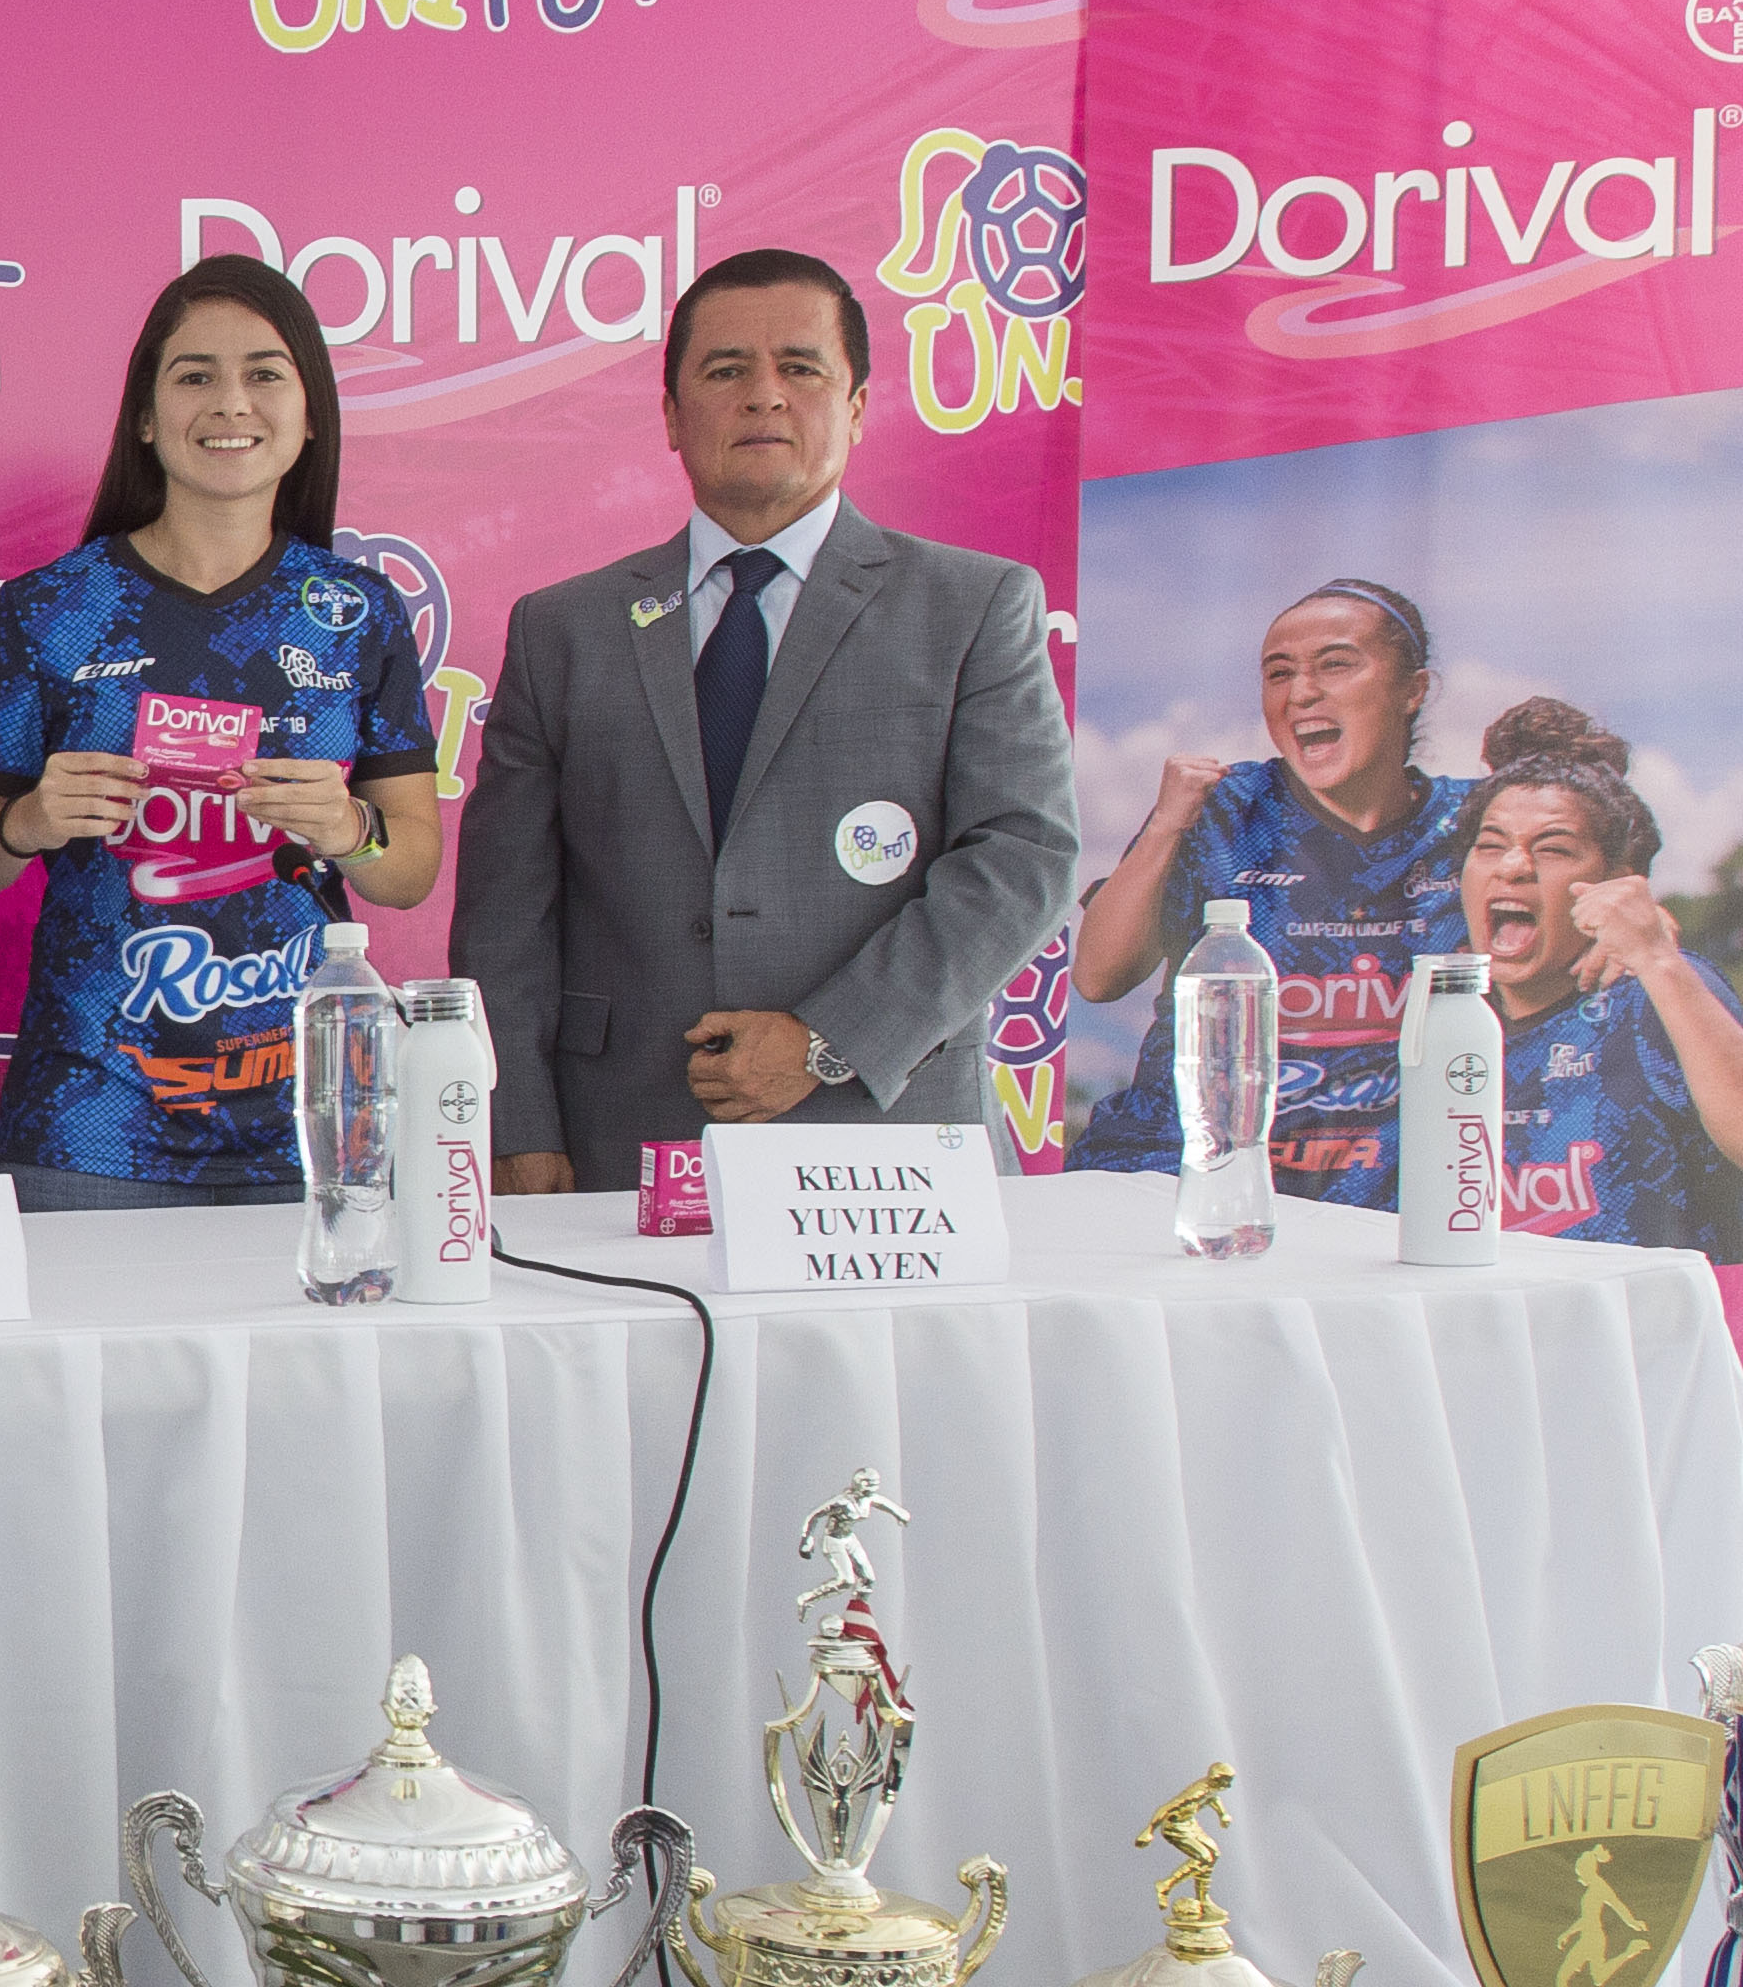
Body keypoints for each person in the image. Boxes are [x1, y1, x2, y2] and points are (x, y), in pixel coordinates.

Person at [449, 248, 1079, 1192]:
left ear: (857, 406)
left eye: (801, 366)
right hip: (620, 1144)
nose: (765, 396)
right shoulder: (561, 629)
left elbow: (1023, 859)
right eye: (725, 370)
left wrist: (827, 1041)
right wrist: (518, 1130)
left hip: (887, 1144)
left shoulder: (973, 605)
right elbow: (506, 916)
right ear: (670, 414)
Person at [0, 257, 437, 1207]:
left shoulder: (358, 611)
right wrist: (27, 824)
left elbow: (408, 872)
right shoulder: (52, 610)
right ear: (143, 414)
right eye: (195, 375)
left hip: (309, 1116)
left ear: (311, 413)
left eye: (264, 373)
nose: (229, 403)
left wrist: (348, 832)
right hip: (91, 1120)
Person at [1068, 579, 1459, 1201]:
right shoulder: (1222, 809)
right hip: (1187, 1174)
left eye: (1335, 665)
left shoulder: (1476, 828)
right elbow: (1098, 977)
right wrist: (1168, 824)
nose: (1301, 693)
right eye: (1278, 674)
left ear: (1413, 690)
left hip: (1385, 1192)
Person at [1445, 701, 1743, 1261]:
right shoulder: (1448, 1011)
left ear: (1614, 883)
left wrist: (1657, 958)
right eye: (1489, 845)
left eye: (1553, 848)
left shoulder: (1657, 991)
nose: (1512, 866)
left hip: (1661, 1336)